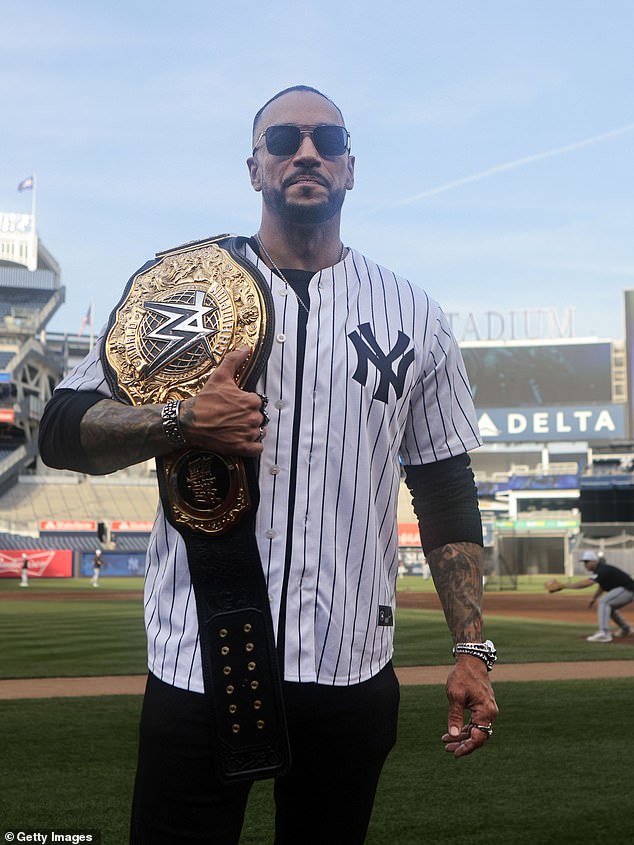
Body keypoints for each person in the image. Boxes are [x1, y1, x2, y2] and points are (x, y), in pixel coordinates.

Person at [38, 85, 498, 845]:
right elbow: (58, 428)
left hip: (350, 665)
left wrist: (472, 651)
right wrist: (180, 418)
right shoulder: (183, 293)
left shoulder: (413, 313)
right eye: (283, 140)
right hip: (197, 658)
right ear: (254, 168)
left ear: (351, 167)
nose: (306, 153)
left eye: (327, 140)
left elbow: (446, 487)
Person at [556, 550, 634, 642]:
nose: (585, 565)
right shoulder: (600, 570)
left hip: (628, 590)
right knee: (609, 607)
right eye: (584, 562)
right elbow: (602, 586)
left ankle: (604, 633)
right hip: (627, 590)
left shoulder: (602, 569)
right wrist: (594, 598)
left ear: (594, 561)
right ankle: (626, 629)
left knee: (604, 602)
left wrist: (565, 586)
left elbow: (587, 583)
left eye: (587, 562)